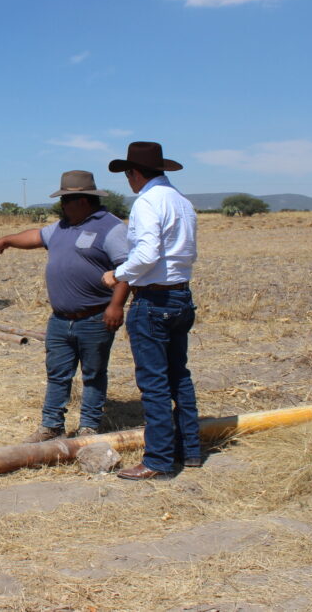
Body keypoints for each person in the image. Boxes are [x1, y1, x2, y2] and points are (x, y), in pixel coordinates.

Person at [0, 170, 130, 442]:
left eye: (66, 200)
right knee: (57, 373)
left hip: (95, 317)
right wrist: (7, 240)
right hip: (60, 319)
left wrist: (116, 306)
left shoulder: (111, 228)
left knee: (93, 374)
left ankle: (89, 426)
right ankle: (51, 426)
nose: (62, 205)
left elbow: (126, 269)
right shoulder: (63, 226)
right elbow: (35, 236)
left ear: (84, 201)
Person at [103, 141, 199, 480]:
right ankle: (190, 450)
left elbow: (146, 255)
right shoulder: (181, 202)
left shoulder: (147, 202)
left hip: (154, 301)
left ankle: (158, 460)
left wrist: (118, 275)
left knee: (154, 383)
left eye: (128, 174)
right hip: (181, 297)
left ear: (135, 173)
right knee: (179, 377)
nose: (128, 181)